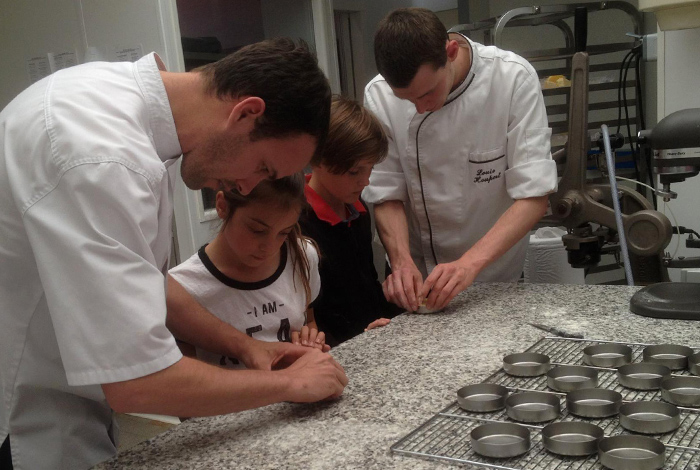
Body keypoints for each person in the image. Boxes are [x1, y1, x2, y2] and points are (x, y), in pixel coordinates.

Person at [0, 38, 347, 470]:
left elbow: (143, 281)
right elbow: (136, 382)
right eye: (262, 167)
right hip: (24, 423)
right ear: (245, 113)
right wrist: (289, 384)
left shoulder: (122, 110)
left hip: (68, 408)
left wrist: (247, 348)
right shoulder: (101, 157)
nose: (245, 187)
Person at [363, 8, 558, 313]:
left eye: (427, 93)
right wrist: (400, 261)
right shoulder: (378, 94)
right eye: (407, 101)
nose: (421, 109)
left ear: (450, 52)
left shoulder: (512, 79)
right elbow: (386, 192)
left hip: (492, 278)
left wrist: (468, 265)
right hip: (412, 283)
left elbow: (534, 196)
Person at [168, 173, 330, 367]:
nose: (269, 247)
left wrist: (309, 341)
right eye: (257, 230)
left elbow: (309, 321)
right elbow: (187, 380)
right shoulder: (181, 287)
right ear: (222, 206)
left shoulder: (302, 255)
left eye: (284, 233)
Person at [299, 97, 403, 346]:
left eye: (370, 170)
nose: (365, 181)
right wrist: (358, 339)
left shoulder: (358, 210)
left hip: (370, 338)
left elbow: (364, 285)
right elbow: (309, 314)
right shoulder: (298, 222)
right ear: (318, 160)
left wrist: (395, 305)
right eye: (355, 172)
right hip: (335, 348)